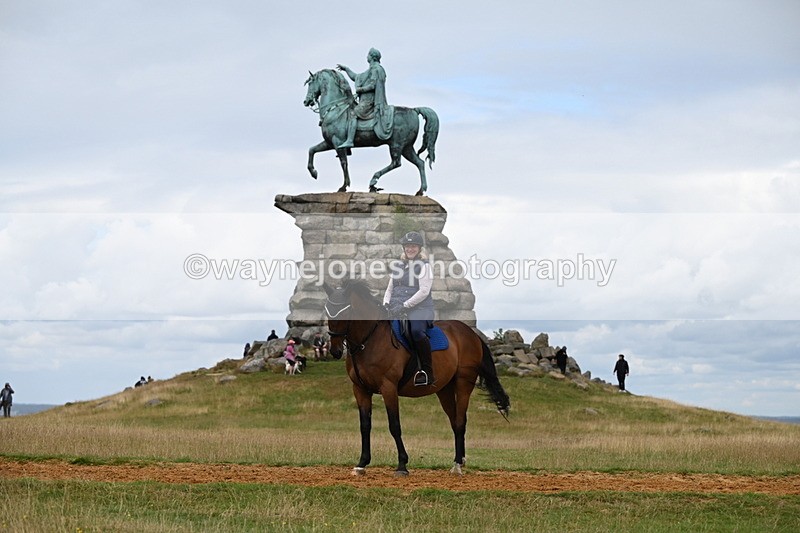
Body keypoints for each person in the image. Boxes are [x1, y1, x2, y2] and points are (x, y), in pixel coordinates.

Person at [383, 231, 435, 386]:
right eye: (407, 246)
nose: (410, 249)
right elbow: (389, 288)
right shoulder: (398, 266)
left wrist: (405, 306)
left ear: (419, 248)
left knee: (415, 331)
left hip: (420, 308)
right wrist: (386, 303)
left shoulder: (425, 267)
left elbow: (424, 291)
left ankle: (426, 371)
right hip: (396, 307)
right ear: (404, 248)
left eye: (413, 246)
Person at [336, 47, 394, 148]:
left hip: (369, 102)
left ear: (372, 57)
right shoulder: (371, 69)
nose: (366, 56)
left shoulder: (376, 69)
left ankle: (350, 140)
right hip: (365, 100)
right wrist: (346, 69)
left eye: (368, 55)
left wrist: (360, 90)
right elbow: (356, 77)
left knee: (353, 114)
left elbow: (373, 85)